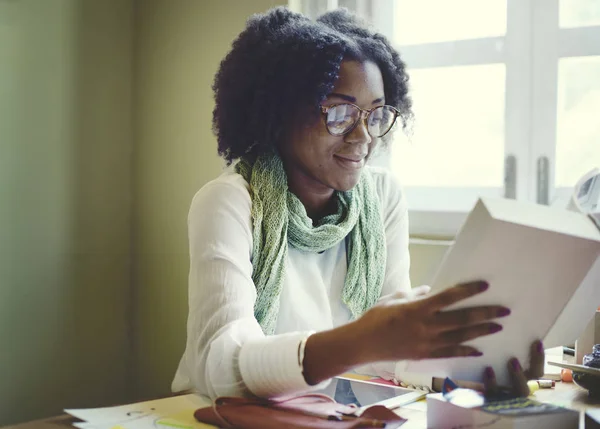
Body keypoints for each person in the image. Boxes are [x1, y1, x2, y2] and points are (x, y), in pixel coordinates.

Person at [172, 6, 543, 401]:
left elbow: (390, 352)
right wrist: (361, 340)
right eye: (341, 112)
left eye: (376, 113)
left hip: (321, 414)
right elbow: (220, 364)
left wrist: (463, 375)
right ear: (280, 113)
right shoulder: (228, 202)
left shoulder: (382, 197)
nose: (363, 135)